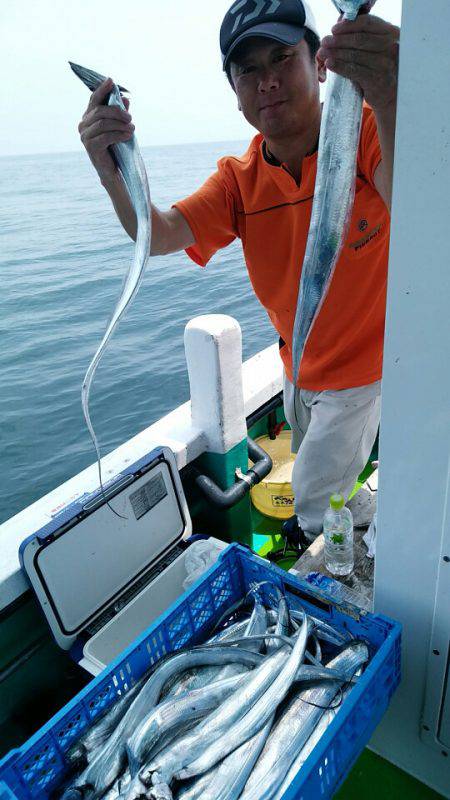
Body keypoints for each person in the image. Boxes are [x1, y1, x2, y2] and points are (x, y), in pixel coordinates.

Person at [77, 0, 399, 544]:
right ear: (234, 90)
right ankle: (354, 504)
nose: (267, 81)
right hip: (296, 364)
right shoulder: (238, 181)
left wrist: (390, 95)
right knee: (319, 462)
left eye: (281, 57)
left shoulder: (367, 132)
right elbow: (157, 231)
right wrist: (113, 168)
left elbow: (413, 200)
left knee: (314, 498)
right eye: (249, 69)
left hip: (361, 372)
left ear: (320, 63)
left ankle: (328, 558)